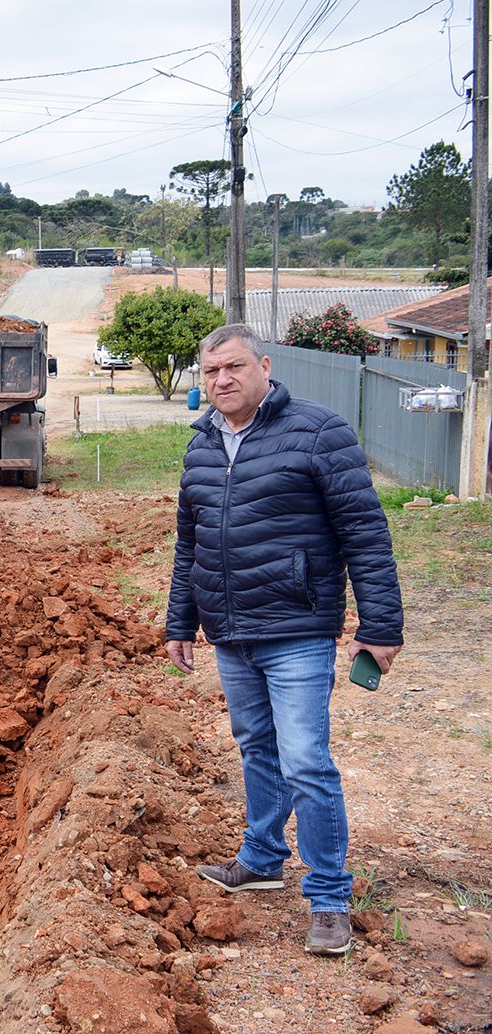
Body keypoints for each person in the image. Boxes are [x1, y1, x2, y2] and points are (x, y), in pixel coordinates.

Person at [166, 323, 403, 957]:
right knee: (255, 747)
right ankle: (263, 858)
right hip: (231, 631)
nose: (223, 380)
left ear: (264, 366)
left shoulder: (319, 432)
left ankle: (328, 898)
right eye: (212, 371)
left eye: (235, 367)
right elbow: (190, 544)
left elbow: (365, 533)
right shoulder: (201, 447)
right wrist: (179, 621)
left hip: (296, 628)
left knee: (306, 762)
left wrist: (379, 626)